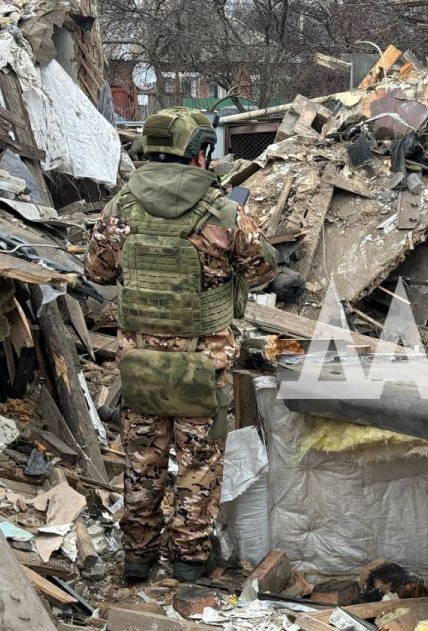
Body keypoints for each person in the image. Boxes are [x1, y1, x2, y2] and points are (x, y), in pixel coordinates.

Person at [85, 107, 276, 582]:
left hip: (140, 359)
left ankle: (138, 556)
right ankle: (189, 559)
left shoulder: (121, 208)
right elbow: (262, 269)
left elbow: (97, 271)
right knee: (199, 461)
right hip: (202, 359)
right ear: (200, 154)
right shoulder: (223, 212)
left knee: (142, 458)